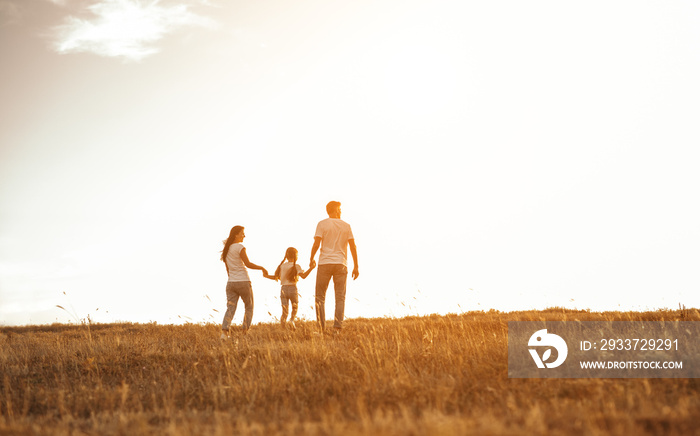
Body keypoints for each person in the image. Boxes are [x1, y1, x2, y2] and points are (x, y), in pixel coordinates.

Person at [309, 201, 359, 332]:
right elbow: (353, 246)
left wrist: (311, 258)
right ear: (335, 210)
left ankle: (321, 328)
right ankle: (337, 328)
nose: (341, 211)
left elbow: (316, 243)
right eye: (339, 209)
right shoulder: (346, 226)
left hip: (324, 263)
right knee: (340, 297)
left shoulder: (322, 224)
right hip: (341, 264)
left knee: (320, 297)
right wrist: (356, 266)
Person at [220, 225, 268, 339]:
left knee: (231, 307)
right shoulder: (240, 247)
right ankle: (245, 331)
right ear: (236, 234)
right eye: (242, 233)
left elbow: (228, 269)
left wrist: (233, 278)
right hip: (243, 281)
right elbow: (248, 264)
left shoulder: (226, 249)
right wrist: (262, 268)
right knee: (249, 306)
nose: (244, 235)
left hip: (231, 283)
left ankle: (224, 333)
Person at [263, 247, 315, 326]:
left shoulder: (282, 266)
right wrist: (311, 268)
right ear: (296, 256)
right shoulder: (297, 266)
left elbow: (276, 277)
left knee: (284, 311)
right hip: (292, 289)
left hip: (283, 289)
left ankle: (283, 328)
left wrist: (266, 276)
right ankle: (292, 320)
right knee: (295, 307)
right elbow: (304, 276)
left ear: (286, 256)